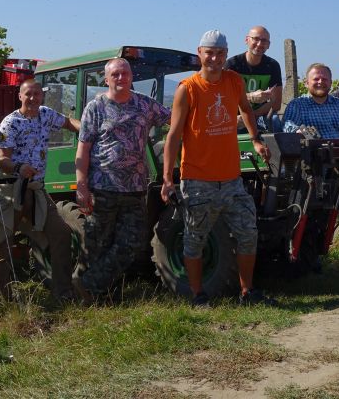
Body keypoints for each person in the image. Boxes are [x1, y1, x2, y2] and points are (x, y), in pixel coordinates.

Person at [161, 30, 274, 308]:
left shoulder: (233, 81)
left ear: (225, 55)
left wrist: (256, 139)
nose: (214, 58)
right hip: (198, 180)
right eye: (209, 52)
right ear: (200, 53)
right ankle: (198, 295)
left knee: (248, 232)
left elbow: (246, 109)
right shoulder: (187, 89)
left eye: (220, 53)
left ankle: (247, 292)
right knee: (194, 239)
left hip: (231, 179)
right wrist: (167, 178)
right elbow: (174, 135)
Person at [74, 58, 171, 301]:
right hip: (102, 187)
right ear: (106, 79)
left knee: (132, 243)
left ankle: (85, 286)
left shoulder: (144, 104)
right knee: (96, 243)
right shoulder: (95, 108)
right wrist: (82, 186)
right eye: (115, 74)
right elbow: (83, 149)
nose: (121, 78)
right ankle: (94, 294)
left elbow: (174, 118)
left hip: (135, 189)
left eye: (125, 73)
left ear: (131, 77)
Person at [0, 79, 81, 301]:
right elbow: (3, 160)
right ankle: (2, 300)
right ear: (20, 96)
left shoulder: (45, 114)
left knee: (61, 233)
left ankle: (63, 292)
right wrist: (19, 167)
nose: (32, 98)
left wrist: (89, 130)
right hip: (11, 188)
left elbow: (68, 122)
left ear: (42, 97)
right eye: (28, 94)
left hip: (37, 188)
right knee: (2, 245)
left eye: (37, 94)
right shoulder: (10, 123)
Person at [283, 63, 339, 276]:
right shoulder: (298, 105)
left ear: (331, 82)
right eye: (316, 78)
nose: (320, 82)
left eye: (324, 78)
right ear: (307, 82)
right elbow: (287, 127)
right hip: (311, 170)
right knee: (311, 217)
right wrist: (299, 131)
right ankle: (309, 262)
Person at [225, 25, 283, 130]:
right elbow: (224, 97)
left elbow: (276, 104)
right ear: (247, 40)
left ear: (268, 45)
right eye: (255, 39)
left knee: (275, 121)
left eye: (264, 41)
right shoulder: (232, 65)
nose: (260, 44)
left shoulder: (273, 65)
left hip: (260, 116)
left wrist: (249, 117)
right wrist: (250, 96)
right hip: (234, 116)